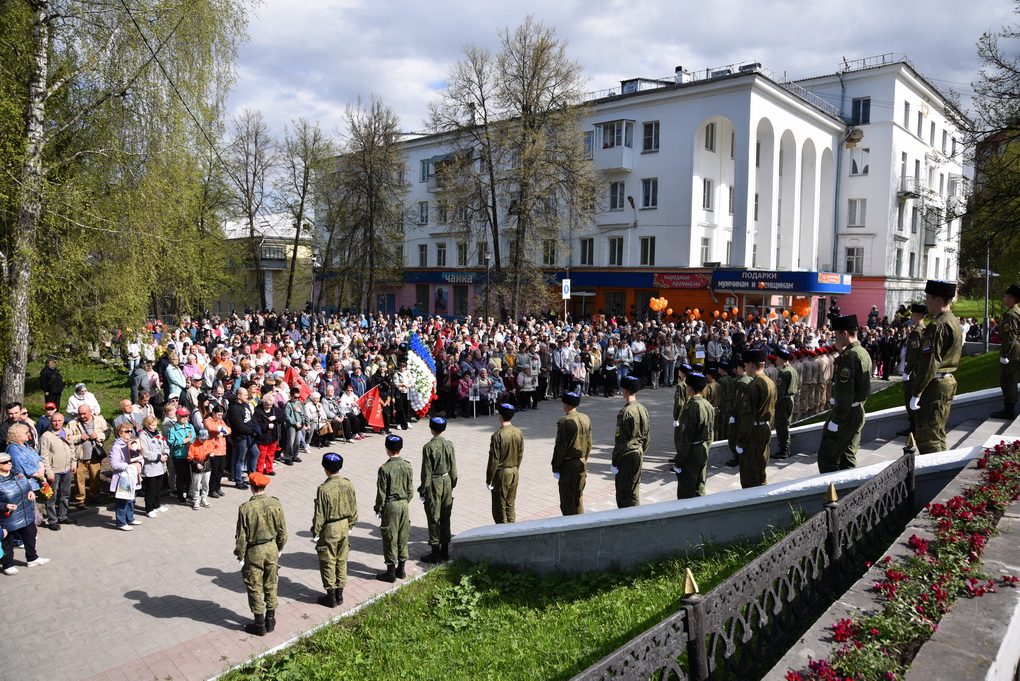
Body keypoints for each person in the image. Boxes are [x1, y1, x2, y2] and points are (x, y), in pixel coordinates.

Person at [909, 280, 963, 454]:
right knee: (937, 433)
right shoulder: (952, 320)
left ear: (938, 300)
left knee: (928, 437)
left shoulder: (938, 325)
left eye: (928, 298)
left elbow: (931, 361)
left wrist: (917, 391)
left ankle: (932, 468)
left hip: (935, 385)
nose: (926, 303)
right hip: (945, 381)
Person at [234, 471, 288, 636]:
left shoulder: (245, 508)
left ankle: (259, 624)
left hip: (254, 550)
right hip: (271, 547)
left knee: (254, 586)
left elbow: (241, 537)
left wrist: (240, 555)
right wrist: (279, 548)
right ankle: (270, 620)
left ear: (251, 487)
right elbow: (282, 531)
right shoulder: (275, 503)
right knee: (272, 583)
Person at [818, 316, 872, 473]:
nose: (836, 338)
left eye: (837, 334)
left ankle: (832, 487)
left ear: (845, 333)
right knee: (847, 454)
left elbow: (846, 391)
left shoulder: (849, 356)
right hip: (856, 410)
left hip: (846, 413)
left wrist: (837, 418)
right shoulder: (862, 352)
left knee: (827, 457)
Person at [312, 452, 359, 607]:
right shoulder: (348, 484)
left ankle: (331, 596)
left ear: (325, 469)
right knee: (341, 559)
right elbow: (353, 507)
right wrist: (350, 524)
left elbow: (320, 514)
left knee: (328, 560)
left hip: (330, 528)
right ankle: (340, 594)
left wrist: (316, 531)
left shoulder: (323, 489)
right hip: (344, 525)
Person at [733, 349, 777, 488]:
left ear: (751, 364)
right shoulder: (769, 382)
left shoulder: (754, 385)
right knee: (761, 469)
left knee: (750, 474)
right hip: (765, 428)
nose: (744, 368)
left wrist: (740, 442)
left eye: (746, 364)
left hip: (754, 432)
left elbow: (748, 417)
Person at [1, 451, 49, 573]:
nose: (9, 463)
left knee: (30, 534)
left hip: (25, 511)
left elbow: (26, 484)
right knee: (8, 541)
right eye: (5, 462)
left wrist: (30, 491)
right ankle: (7, 564)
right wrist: (5, 506)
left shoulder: (17, 473)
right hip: (8, 517)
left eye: (10, 461)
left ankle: (32, 558)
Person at [374, 435, 413, 583]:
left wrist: (378, 508)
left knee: (390, 537)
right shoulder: (407, 465)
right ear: (400, 449)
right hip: (404, 504)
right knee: (403, 535)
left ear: (387, 449)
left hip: (390, 505)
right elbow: (410, 489)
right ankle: (401, 570)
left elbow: (381, 493)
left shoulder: (385, 469)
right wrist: (404, 501)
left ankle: (390, 572)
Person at [418, 417, 458, 563]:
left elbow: (426, 471)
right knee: (446, 515)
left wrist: (423, 489)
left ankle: (435, 553)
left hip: (434, 483)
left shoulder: (428, 447)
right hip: (447, 481)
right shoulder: (449, 445)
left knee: (434, 516)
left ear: (431, 429)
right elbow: (453, 468)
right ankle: (445, 551)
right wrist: (452, 483)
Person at [673, 372, 715, 498]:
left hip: (692, 452)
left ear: (690, 388)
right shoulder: (707, 405)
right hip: (703, 448)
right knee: (700, 486)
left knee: (686, 490)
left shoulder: (692, 407)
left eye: (687, 386)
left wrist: (679, 461)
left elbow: (686, 437)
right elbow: (711, 432)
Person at [611, 376, 649, 508]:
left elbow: (621, 441)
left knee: (623, 493)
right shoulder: (642, 409)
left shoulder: (625, 412)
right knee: (634, 490)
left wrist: (615, 461)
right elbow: (647, 436)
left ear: (626, 390)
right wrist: (641, 451)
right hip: (638, 452)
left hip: (626, 455)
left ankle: (626, 517)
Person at [551, 391, 592, 515]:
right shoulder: (585, 418)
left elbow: (560, 448)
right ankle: (581, 522)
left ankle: (570, 524)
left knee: (567, 500)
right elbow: (589, 443)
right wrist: (584, 458)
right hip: (581, 461)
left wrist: (555, 467)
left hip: (568, 465)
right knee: (578, 498)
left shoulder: (565, 422)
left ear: (567, 405)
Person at [486, 404, 524, 523]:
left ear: (500, 416)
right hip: (514, 471)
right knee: (510, 504)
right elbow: (520, 454)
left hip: (502, 473)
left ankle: (502, 530)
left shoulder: (498, 435)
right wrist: (515, 468)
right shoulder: (518, 432)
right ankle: (512, 527)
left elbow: (494, 460)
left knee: (499, 507)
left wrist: (489, 479)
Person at [39, 412, 77, 529]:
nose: (57, 423)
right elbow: (44, 456)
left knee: (65, 494)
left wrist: (73, 463)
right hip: (54, 471)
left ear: (63, 421)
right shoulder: (46, 436)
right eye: (54, 421)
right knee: (52, 497)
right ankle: (52, 520)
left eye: (59, 421)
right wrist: (49, 472)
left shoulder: (67, 432)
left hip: (66, 469)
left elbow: (72, 449)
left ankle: (63, 516)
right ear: (51, 422)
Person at [67, 404, 109, 508]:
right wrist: (79, 437)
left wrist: (98, 435)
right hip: (80, 457)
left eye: (84, 414)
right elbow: (67, 438)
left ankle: (95, 496)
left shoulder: (100, 420)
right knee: (79, 479)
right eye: (80, 414)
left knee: (95, 478)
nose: (82, 416)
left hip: (95, 456)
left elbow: (107, 432)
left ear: (90, 412)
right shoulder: (72, 423)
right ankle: (80, 500)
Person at [896, 304, 929, 437]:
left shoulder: (916, 332)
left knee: (909, 396)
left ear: (919, 315)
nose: (911, 317)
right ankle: (915, 425)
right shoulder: (924, 329)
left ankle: (913, 427)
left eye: (913, 314)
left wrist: (907, 371)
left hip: (914, 370)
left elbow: (914, 354)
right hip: (918, 369)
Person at [992, 284, 1020, 420]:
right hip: (1015, 347)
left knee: (1008, 379)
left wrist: (1005, 354)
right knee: (1010, 378)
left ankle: (1009, 410)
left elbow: (1010, 336)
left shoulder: (1011, 314)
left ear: (1012, 298)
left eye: (1006, 296)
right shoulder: (1017, 311)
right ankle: (1009, 408)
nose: (1004, 299)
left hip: (1012, 349)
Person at [108, 423, 144, 530]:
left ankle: (130, 518)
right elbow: (114, 464)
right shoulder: (116, 447)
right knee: (122, 500)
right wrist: (128, 466)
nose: (129, 433)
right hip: (122, 478)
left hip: (132, 476)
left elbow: (140, 457)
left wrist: (139, 464)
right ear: (120, 433)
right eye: (126, 431)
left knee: (131, 499)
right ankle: (121, 522)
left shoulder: (133, 443)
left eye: (130, 431)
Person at [138, 415, 169, 517]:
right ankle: (149, 509)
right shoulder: (143, 436)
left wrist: (166, 454)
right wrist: (159, 457)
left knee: (158, 488)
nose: (154, 427)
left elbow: (165, 445)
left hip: (160, 466)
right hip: (150, 467)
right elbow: (145, 452)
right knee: (150, 489)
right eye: (152, 425)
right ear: (147, 425)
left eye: (155, 425)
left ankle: (157, 505)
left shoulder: (158, 433)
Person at [771, 349, 800, 459]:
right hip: (790, 399)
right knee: (786, 423)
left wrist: (775, 405)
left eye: (777, 358)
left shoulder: (783, 373)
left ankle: (784, 449)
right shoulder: (793, 370)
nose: (776, 360)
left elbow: (780, 391)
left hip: (783, 401)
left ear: (782, 359)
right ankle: (785, 448)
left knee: (781, 425)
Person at [167, 407, 196, 504]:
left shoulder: (190, 426)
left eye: (186, 416)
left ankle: (189, 493)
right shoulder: (173, 429)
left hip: (189, 455)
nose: (185, 418)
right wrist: (183, 441)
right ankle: (180, 496)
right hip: (179, 456)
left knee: (189, 476)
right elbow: (170, 443)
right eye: (182, 416)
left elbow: (194, 437)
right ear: (177, 416)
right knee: (180, 477)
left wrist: (190, 443)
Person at [187, 429, 215, 510]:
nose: (203, 440)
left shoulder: (209, 443)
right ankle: (196, 500)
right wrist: (196, 464)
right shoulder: (193, 445)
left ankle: (204, 498)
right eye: (202, 439)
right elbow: (190, 458)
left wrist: (212, 455)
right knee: (196, 485)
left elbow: (211, 453)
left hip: (207, 467)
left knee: (206, 483)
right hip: (197, 468)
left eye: (205, 438)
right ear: (198, 437)